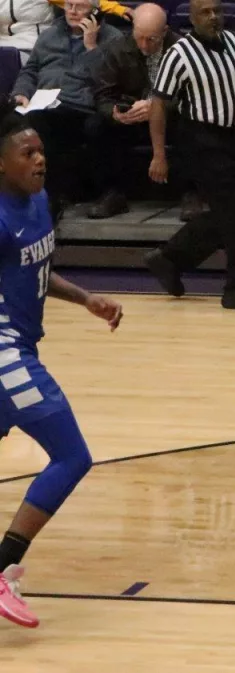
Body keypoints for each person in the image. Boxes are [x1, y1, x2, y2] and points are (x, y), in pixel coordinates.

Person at [0, 112, 123, 628]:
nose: (40, 160)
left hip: (19, 349)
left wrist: (85, 298)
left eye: (41, 151)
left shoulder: (39, 202)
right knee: (72, 457)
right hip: (7, 356)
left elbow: (35, 271)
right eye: (27, 153)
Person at [145, 0, 235, 312]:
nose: (213, 17)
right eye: (205, 12)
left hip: (233, 137)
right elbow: (159, 104)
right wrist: (158, 154)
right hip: (200, 139)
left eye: (217, 11)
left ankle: (169, 258)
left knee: (228, 213)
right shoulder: (179, 53)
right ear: (192, 19)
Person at [10, 0, 121, 217]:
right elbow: (30, 70)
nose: (72, 11)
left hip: (85, 107)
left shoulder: (113, 38)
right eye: (69, 5)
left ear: (95, 11)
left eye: (80, 6)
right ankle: (47, 196)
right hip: (46, 104)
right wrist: (21, 92)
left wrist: (91, 47)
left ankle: (110, 195)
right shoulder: (49, 35)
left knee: (99, 125)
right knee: (24, 122)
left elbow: (110, 80)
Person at [88, 3, 186, 220]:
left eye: (151, 39)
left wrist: (158, 107)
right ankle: (112, 193)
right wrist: (115, 112)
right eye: (139, 37)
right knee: (96, 125)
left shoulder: (183, 50)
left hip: (170, 119)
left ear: (164, 31)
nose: (143, 45)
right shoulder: (116, 49)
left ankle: (192, 193)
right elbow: (103, 96)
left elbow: (192, 95)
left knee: (194, 123)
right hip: (132, 118)